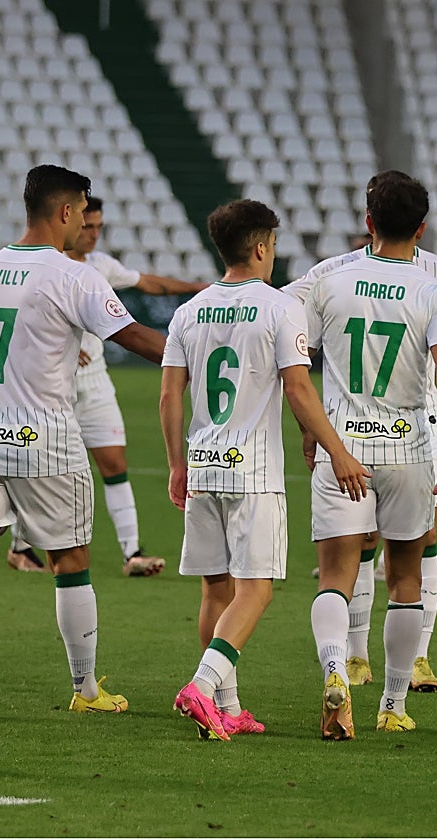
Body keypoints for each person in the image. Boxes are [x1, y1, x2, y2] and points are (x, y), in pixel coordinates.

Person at [0, 164, 166, 715]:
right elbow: (135, 337)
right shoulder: (73, 275)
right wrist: (197, 352)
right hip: (43, 441)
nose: (84, 225)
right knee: (72, 562)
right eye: (83, 213)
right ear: (66, 211)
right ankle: (86, 690)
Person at [160, 199, 368, 740]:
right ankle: (202, 688)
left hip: (203, 463)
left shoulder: (189, 312)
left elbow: (169, 395)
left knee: (216, 589)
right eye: (273, 244)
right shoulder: (278, 308)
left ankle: (227, 706)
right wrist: (338, 451)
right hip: (251, 471)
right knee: (256, 590)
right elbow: (298, 387)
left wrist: (177, 464)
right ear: (259, 247)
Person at [287, 171, 437, 695]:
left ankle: (343, 665)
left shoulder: (331, 278)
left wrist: (310, 429)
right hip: (410, 438)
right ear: (421, 227)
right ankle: (390, 697)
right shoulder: (432, 286)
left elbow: (294, 354)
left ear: (368, 220)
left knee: (339, 568)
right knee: (407, 567)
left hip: (344, 438)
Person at [6, 195, 211, 576]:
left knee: (115, 463)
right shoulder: (48, 268)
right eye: (88, 225)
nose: (93, 234)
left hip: (96, 383)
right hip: (50, 386)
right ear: (70, 220)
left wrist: (200, 286)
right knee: (35, 465)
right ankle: (20, 546)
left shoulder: (101, 266)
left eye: (99, 226)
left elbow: (150, 283)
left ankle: (132, 552)